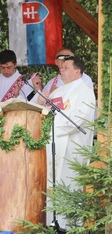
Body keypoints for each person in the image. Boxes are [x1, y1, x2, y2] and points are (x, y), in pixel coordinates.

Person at [37, 56, 95, 229]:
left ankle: (68, 226)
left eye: (66, 67)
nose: (61, 70)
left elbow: (79, 120)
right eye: (61, 67)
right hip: (52, 145)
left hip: (71, 147)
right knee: (51, 183)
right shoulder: (57, 91)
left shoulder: (84, 91)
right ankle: (51, 223)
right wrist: (41, 105)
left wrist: (52, 127)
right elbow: (44, 114)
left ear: (77, 71)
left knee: (69, 183)